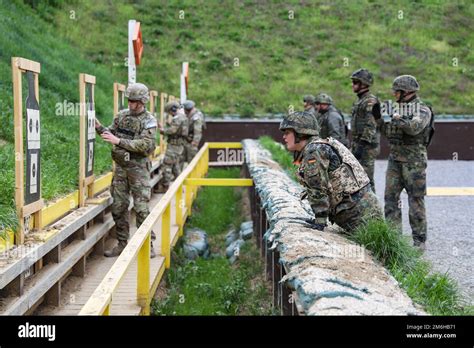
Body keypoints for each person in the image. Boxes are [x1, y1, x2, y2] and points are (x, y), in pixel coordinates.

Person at [280, 111, 382, 232]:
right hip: (360, 211)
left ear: (300, 133)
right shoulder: (318, 146)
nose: (284, 137)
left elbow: (317, 187)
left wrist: (320, 220)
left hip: (360, 215)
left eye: (287, 133)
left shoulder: (314, 150)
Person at [95, 83, 157, 258]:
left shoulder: (149, 121)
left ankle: (148, 245)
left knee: (141, 208)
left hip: (138, 170)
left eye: (135, 101)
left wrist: (119, 142)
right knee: (118, 206)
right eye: (129, 100)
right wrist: (99, 127)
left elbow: (145, 145)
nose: (131, 104)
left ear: (143, 101)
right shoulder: (121, 116)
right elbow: (110, 134)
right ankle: (122, 244)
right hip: (121, 169)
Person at [376, 75, 434, 250]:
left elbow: (414, 128)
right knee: (390, 199)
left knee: (415, 200)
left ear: (406, 92)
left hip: (414, 162)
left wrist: (396, 118)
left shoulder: (422, 109)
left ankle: (419, 241)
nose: (394, 94)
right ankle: (394, 240)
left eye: (397, 91)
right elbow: (388, 132)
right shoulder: (397, 109)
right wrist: (379, 118)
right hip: (395, 160)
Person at [350, 68, 380, 192]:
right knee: (356, 178)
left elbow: (371, 125)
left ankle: (374, 209)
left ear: (364, 84)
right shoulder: (361, 100)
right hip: (358, 144)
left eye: (355, 82)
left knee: (366, 179)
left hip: (367, 147)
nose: (352, 85)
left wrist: (361, 147)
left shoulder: (370, 101)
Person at [155, 101, 188, 193]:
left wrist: (162, 130)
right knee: (175, 166)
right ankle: (181, 185)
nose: (170, 114)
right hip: (178, 146)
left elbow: (172, 131)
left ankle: (165, 187)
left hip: (174, 146)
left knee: (167, 165)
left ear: (173, 109)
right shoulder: (183, 117)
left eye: (169, 112)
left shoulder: (178, 118)